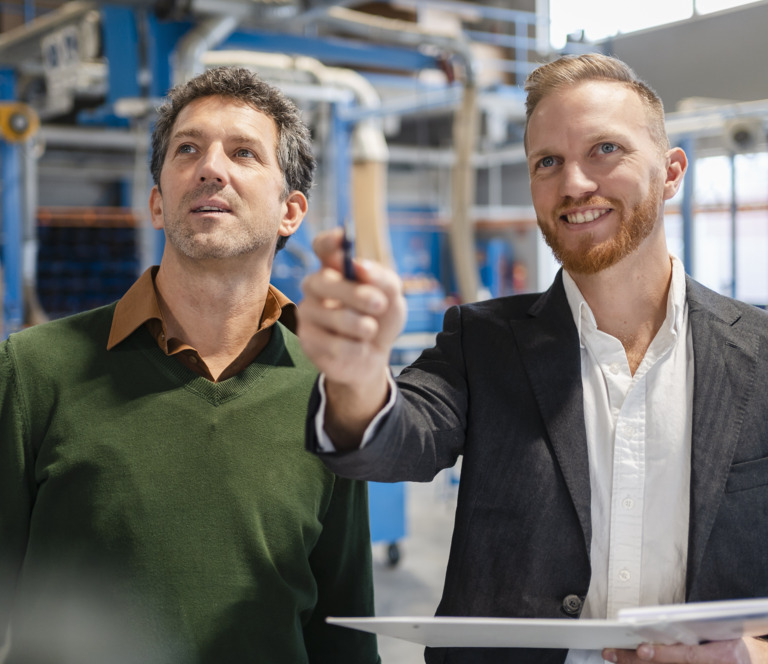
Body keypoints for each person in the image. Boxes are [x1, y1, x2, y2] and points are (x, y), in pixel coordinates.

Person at [298, 53, 768, 664]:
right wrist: (358, 372)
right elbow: (395, 439)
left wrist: (753, 655)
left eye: (605, 150)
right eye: (548, 162)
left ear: (672, 171)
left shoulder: (758, 356)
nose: (574, 183)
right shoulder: (483, 341)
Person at [0, 66, 379, 664]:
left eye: (244, 153)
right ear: (157, 202)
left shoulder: (330, 386)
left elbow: (344, 629)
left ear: (291, 212)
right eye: (188, 149)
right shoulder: (32, 372)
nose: (211, 167)